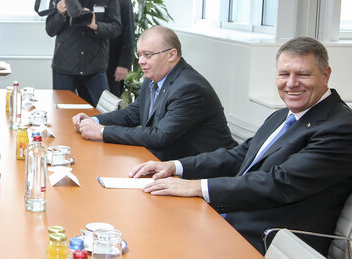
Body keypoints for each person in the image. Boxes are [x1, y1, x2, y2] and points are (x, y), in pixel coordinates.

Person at [131, 37, 352, 255]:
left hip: (269, 242)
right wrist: (175, 166)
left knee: (157, 247)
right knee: (143, 226)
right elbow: (239, 156)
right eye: (284, 74)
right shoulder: (283, 115)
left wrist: (195, 187)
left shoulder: (343, 130)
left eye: (303, 75)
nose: (292, 83)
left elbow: (279, 183)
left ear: (326, 75)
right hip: (233, 220)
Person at [72, 26, 235, 161]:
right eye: (139, 55)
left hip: (203, 171)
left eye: (148, 55)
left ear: (171, 54)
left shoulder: (190, 88)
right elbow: (133, 113)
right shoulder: (154, 78)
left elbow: (160, 136)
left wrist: (101, 131)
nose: (141, 61)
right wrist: (93, 120)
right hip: (164, 161)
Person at [46, 0, 122, 106]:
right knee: (62, 114)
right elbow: (50, 29)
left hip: (95, 67)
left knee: (106, 112)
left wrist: (96, 26)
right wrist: (60, 13)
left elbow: (116, 28)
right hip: (65, 66)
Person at [95, 0, 135, 97]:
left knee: (110, 108)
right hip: (89, 66)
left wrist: (124, 64)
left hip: (113, 66)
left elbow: (128, 33)